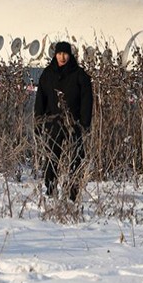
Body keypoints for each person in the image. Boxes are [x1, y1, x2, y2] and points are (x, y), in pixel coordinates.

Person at [34, 41, 93, 201]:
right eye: (59, 53)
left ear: (70, 55)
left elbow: (87, 100)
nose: (62, 57)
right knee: (52, 157)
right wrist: (38, 121)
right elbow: (40, 99)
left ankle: (73, 192)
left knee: (77, 157)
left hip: (74, 123)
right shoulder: (48, 74)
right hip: (54, 122)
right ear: (55, 54)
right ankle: (51, 189)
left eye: (65, 54)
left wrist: (85, 123)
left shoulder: (80, 75)